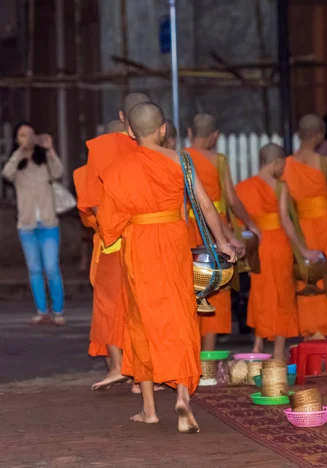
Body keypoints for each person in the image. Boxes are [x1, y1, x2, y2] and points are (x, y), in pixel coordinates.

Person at [98, 101, 236, 432]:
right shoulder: (182, 160)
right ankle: (183, 398)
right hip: (174, 242)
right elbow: (204, 205)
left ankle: (149, 410)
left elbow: (108, 224)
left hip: (140, 246)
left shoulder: (118, 168)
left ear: (130, 132)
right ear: (163, 130)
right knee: (179, 316)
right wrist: (221, 241)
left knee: (142, 321)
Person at [76, 93, 150, 390]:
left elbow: (93, 201)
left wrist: (108, 229)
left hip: (113, 237)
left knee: (110, 304)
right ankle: (142, 376)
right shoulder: (155, 149)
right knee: (141, 306)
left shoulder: (103, 149)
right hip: (149, 236)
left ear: (122, 116)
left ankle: (119, 367)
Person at [185, 113, 256, 350]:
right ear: (215, 135)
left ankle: (190, 353)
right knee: (215, 287)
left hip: (187, 228)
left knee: (189, 286)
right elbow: (232, 200)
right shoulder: (218, 160)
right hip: (215, 230)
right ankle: (208, 357)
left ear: (189, 133)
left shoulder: (181, 157)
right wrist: (249, 223)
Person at [282, 114, 327, 338]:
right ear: (318, 135)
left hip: (302, 228)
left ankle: (311, 329)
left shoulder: (287, 164)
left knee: (307, 275)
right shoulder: (325, 162)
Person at [236, 143, 300, 359]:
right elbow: (286, 221)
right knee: (282, 295)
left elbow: (237, 220)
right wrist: (303, 249)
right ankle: (279, 350)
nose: (283, 170)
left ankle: (257, 344)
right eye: (282, 165)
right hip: (279, 244)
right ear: (275, 163)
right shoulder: (280, 186)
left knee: (260, 294)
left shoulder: (243, 187)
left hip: (257, 245)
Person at [2, 123, 65, 325]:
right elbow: (6, 173)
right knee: (35, 269)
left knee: (52, 267)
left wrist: (50, 149)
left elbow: (58, 172)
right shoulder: (18, 163)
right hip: (27, 225)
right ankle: (41, 310)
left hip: (48, 222)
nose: (26, 138)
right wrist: (20, 151)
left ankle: (58, 311)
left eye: (29, 134)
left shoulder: (44, 159)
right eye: (22, 135)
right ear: (17, 139)